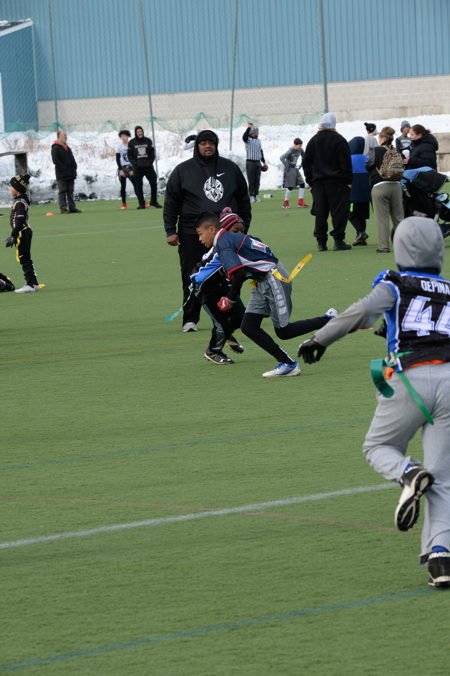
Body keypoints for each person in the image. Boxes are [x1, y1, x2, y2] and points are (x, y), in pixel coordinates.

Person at [298, 216, 450, 589]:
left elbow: (359, 313)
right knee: (444, 477)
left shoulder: (396, 283)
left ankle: (408, 473)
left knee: (378, 446)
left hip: (409, 375)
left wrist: (319, 340)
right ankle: (441, 558)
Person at [195, 214, 337, 377]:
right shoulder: (231, 239)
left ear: (212, 229)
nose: (200, 239)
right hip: (262, 280)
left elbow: (239, 274)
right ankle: (287, 363)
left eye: (200, 234)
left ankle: (330, 320)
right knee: (248, 326)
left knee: (284, 331)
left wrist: (230, 298)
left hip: (273, 278)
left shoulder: (223, 243)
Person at [163, 129, 251, 333]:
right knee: (192, 275)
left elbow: (243, 200)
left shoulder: (230, 168)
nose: (207, 146)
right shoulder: (183, 171)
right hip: (192, 233)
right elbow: (171, 202)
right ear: (197, 146)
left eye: (211, 142)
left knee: (228, 274)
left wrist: (243, 227)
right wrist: (170, 230)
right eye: (203, 143)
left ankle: (230, 315)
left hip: (225, 234)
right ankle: (190, 319)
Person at [190, 210, 246, 365]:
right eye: (235, 231)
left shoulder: (232, 245)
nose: (240, 234)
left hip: (223, 285)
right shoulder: (222, 249)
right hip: (206, 289)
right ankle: (213, 351)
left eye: (241, 231)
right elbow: (201, 275)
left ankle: (225, 336)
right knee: (221, 324)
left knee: (241, 316)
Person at [302, 112, 353, 251]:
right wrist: (348, 180)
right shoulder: (339, 140)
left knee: (320, 213)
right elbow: (345, 163)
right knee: (339, 213)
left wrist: (310, 181)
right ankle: (338, 240)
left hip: (318, 183)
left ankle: (321, 242)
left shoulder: (313, 141)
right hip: (337, 183)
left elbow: (306, 163)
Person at [366, 126, 404, 253]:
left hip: (380, 186)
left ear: (382, 138)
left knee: (382, 219)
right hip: (396, 186)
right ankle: (402, 245)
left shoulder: (376, 150)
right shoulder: (395, 151)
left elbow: (368, 164)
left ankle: (384, 246)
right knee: (398, 218)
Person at [4, 174, 43, 294]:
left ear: (17, 188)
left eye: (11, 186)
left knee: (23, 258)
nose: (10, 188)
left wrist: (13, 235)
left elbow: (20, 220)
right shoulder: (20, 200)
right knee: (26, 257)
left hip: (22, 232)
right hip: (25, 231)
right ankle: (34, 283)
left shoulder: (20, 202)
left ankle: (29, 284)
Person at [128, 126, 162, 209]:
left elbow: (152, 153)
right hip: (138, 168)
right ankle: (141, 204)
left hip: (148, 167)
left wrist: (150, 162)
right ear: (136, 133)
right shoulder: (131, 142)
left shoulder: (148, 141)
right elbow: (129, 155)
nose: (140, 133)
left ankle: (153, 202)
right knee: (138, 186)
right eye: (138, 132)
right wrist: (135, 164)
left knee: (153, 183)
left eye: (141, 131)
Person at [51, 130, 81, 214]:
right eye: (64, 135)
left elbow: (72, 160)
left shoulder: (68, 148)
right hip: (61, 174)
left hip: (70, 173)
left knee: (70, 191)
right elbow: (56, 161)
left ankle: (72, 207)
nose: (66, 137)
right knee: (62, 191)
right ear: (59, 136)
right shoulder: (55, 148)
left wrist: (74, 168)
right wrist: (64, 169)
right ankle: (63, 208)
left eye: (66, 135)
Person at [348, 136, 371, 246]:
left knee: (350, 213)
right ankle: (361, 239)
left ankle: (361, 232)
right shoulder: (368, 159)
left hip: (353, 194)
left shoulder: (348, 159)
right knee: (362, 216)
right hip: (366, 193)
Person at [279, 138, 308, 208]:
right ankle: (286, 204)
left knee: (302, 184)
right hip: (289, 169)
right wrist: (287, 166)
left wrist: (302, 164)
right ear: (295, 144)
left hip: (295, 169)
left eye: (301, 145)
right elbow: (282, 158)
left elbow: (304, 157)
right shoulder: (291, 150)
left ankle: (300, 202)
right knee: (290, 187)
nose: (300, 147)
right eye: (299, 145)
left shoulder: (301, 150)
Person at [242, 123, 267, 203]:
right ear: (253, 132)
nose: (258, 133)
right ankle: (251, 195)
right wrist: (248, 128)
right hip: (250, 162)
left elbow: (260, 151)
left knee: (257, 180)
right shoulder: (248, 140)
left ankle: (256, 195)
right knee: (251, 180)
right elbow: (244, 137)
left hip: (257, 162)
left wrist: (264, 162)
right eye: (257, 132)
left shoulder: (258, 141)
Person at [116, 129, 136, 209]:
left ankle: (142, 202)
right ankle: (124, 203)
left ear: (128, 136)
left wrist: (133, 169)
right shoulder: (119, 147)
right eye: (121, 136)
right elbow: (117, 159)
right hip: (123, 168)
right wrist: (120, 169)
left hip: (131, 167)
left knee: (136, 184)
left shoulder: (131, 146)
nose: (123, 137)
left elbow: (135, 158)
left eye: (124, 136)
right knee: (123, 186)